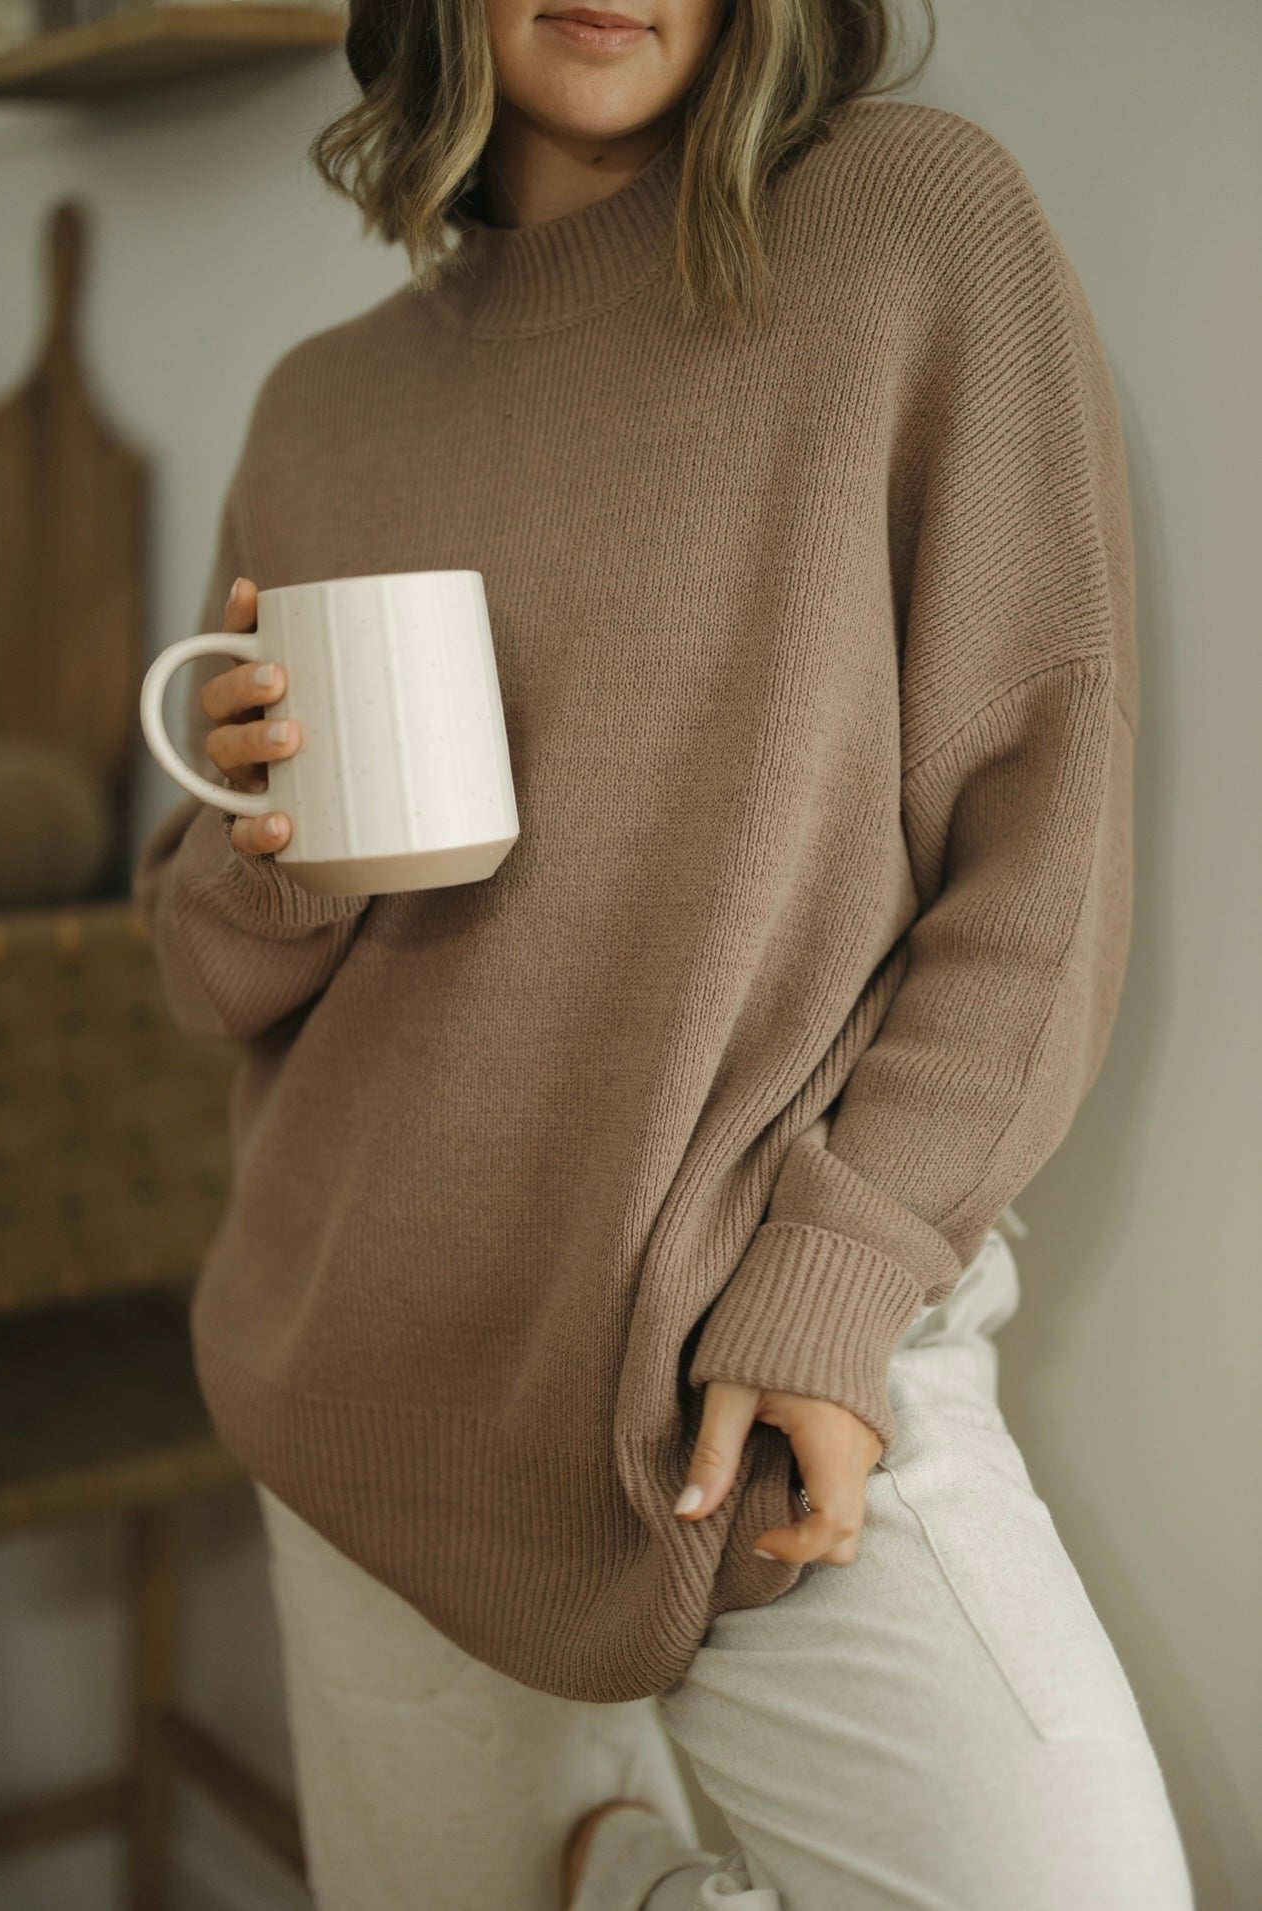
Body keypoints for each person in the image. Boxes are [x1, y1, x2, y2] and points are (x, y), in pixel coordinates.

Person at [132, 0, 1196, 1904]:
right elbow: (218, 978)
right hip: (369, 1376)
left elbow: (1044, 848)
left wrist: (846, 1272)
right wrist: (264, 848)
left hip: (754, 1360)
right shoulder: (322, 402)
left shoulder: (910, 231)